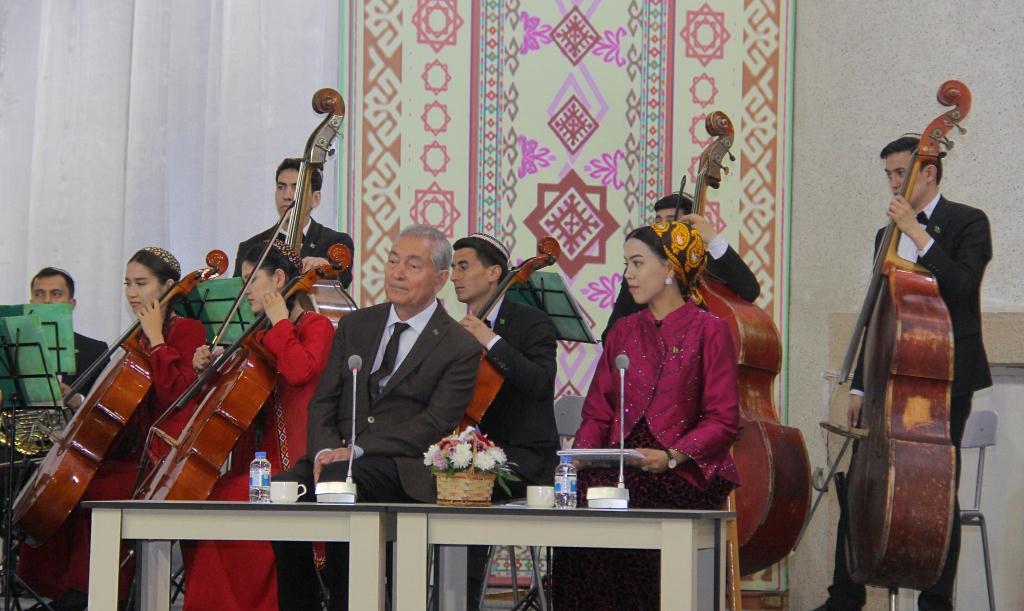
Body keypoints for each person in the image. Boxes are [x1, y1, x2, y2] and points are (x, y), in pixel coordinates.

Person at [815, 136, 992, 611]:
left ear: (928, 172)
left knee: (938, 486)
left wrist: (917, 232)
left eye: (901, 173)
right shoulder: (885, 236)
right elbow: (878, 313)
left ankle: (936, 603)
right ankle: (844, 597)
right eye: (889, 175)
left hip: (945, 378)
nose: (893, 183)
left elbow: (962, 286)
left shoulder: (969, 222)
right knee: (859, 478)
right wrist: (859, 384)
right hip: (886, 381)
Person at [272, 224, 480, 611]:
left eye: (412, 266)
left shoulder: (459, 346)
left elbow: (433, 425)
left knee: (340, 481)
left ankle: (349, 602)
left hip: (399, 465)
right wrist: (324, 451)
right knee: (283, 488)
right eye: (393, 261)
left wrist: (357, 451)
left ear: (440, 279)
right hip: (337, 458)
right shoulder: (356, 325)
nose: (397, 273)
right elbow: (324, 401)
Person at [552, 220, 741, 610]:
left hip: (683, 469)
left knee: (636, 501)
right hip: (622, 463)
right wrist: (581, 458)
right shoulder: (623, 331)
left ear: (669, 268)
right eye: (627, 264)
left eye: (637, 263)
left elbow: (723, 420)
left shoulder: (710, 330)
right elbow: (598, 412)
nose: (628, 274)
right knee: (579, 507)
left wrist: (672, 456)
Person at [19, 247, 205, 611]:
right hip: (130, 449)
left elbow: (176, 397)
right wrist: (81, 407)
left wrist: (157, 339)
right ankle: (60, 588)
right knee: (65, 482)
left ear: (168, 287)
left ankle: (92, 593)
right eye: (127, 283)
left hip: (160, 454)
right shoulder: (138, 334)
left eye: (141, 283)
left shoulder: (187, 330)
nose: (132, 293)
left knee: (90, 488)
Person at [182, 241, 334, 611]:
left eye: (252, 279)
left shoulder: (316, 326)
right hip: (258, 461)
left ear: (279, 279)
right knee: (208, 497)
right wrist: (209, 368)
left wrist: (281, 322)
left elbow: (300, 372)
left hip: (297, 460)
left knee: (233, 499)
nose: (245, 289)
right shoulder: (256, 335)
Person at [449, 233, 560, 605]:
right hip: (475, 454)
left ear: (494, 272)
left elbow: (539, 383)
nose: (454, 276)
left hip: (526, 456)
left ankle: (462, 600)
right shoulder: (457, 329)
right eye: (453, 267)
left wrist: (490, 339)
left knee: (466, 488)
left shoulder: (533, 323)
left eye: (464, 266)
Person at [602, 192, 760, 341]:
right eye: (658, 221)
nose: (662, 228)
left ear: (690, 226)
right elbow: (610, 335)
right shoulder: (640, 270)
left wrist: (713, 239)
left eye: (671, 221)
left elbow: (749, 290)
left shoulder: (704, 264)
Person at [234, 158, 355, 289]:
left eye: (296, 188)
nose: (287, 195)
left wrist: (327, 268)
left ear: (315, 198)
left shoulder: (335, 242)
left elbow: (344, 278)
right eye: (281, 187)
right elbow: (238, 295)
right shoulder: (249, 247)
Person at [28, 267, 109, 402]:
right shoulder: (11, 347)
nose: (46, 301)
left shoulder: (95, 351)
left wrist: (78, 400)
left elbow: (104, 404)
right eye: (39, 294)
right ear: (31, 303)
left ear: (72, 304)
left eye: (56, 294)